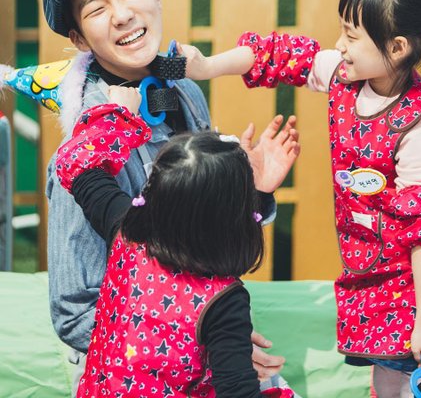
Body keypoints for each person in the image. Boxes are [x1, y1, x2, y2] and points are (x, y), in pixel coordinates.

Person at [180, 0, 421, 397]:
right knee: (386, 372)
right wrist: (207, 67)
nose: (339, 45)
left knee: (411, 369)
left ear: (396, 48)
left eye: (352, 36)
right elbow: (276, 56)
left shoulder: (419, 125)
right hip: (375, 262)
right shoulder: (345, 74)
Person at [43, 0, 298, 395]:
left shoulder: (184, 90)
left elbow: (203, 238)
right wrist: (201, 341)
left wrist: (254, 193)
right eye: (97, 9)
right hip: (120, 360)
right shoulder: (85, 151)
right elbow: (74, 311)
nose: (122, 14)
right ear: (79, 38)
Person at [54, 85, 297, 397]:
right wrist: (256, 193)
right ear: (235, 220)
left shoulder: (127, 234)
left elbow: (79, 164)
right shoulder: (223, 301)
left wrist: (117, 116)